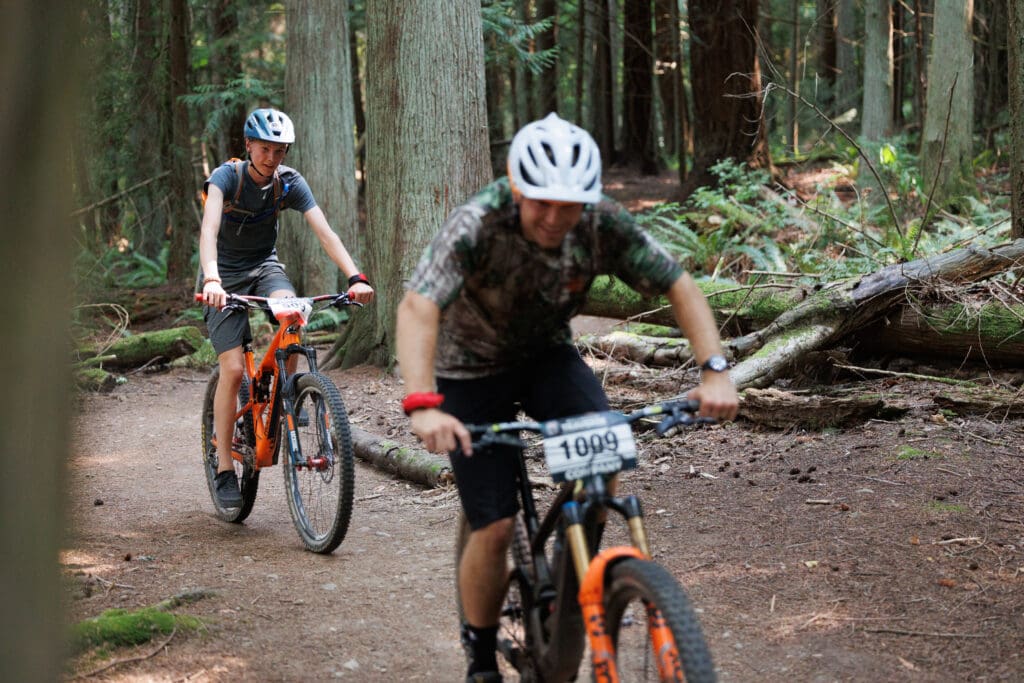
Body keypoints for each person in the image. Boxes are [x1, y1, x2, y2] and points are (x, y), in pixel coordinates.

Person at [395, 112, 739, 683]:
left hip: (546, 356)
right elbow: (418, 307)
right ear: (516, 188)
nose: (555, 218)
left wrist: (716, 371)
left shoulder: (602, 222)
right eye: (541, 204)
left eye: (569, 205)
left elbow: (678, 283)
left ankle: (575, 576)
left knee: (605, 470)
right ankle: (480, 658)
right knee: (496, 524)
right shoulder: (479, 221)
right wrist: (423, 403)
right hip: (467, 370)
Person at [199, 108, 373, 508]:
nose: (272, 158)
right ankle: (225, 467)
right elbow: (209, 230)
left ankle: (289, 396)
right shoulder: (226, 178)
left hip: (265, 270)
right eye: (265, 149)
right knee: (232, 369)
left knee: (291, 316)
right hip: (222, 276)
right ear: (248, 145)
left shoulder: (289, 183)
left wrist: (355, 277)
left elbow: (325, 232)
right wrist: (212, 279)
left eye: (280, 151)